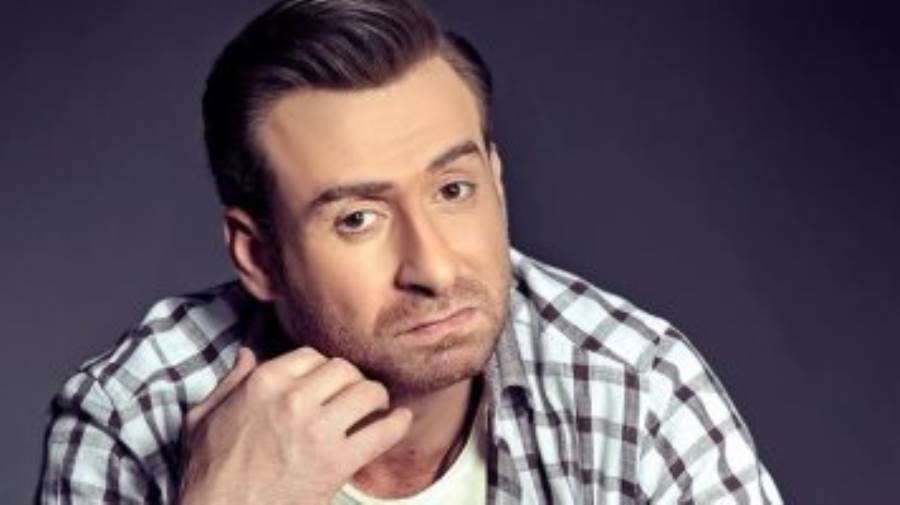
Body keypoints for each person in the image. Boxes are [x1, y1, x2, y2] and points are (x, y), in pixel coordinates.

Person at [36, 0, 783, 503]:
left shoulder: (636, 386)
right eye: (358, 218)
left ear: (496, 181)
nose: (433, 267)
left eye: (453, 190)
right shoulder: (134, 414)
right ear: (259, 256)